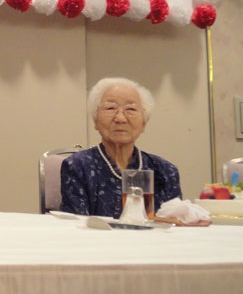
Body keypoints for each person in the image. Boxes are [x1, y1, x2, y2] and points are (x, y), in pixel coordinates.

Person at [60, 77, 181, 218]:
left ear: (144, 123)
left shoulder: (165, 171)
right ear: (95, 121)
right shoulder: (78, 167)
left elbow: (176, 226)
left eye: (131, 109)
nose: (121, 118)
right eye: (110, 108)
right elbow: (76, 225)